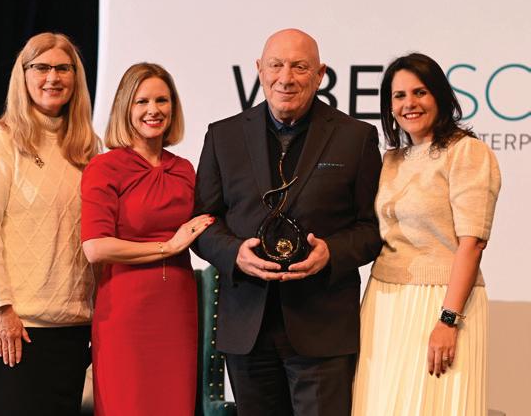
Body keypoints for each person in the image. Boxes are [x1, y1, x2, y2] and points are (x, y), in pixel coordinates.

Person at [194, 28, 382, 415]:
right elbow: (203, 221)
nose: (286, 78)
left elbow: (373, 228)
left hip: (323, 328)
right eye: (276, 65)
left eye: (300, 67)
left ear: (321, 74)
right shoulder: (223, 136)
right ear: (259, 69)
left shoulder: (356, 137)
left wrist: (331, 253)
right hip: (247, 327)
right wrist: (234, 253)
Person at [352, 53, 501, 415]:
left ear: (440, 96)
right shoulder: (391, 160)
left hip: (441, 301)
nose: (410, 104)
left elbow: (472, 244)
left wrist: (448, 319)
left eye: (420, 92)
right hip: (383, 300)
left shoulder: (467, 152)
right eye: (399, 96)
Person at [0, 32, 100, 416]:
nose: (52, 77)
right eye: (41, 67)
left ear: (76, 78)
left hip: (71, 325)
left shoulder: (88, 147)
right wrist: (2, 308)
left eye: (63, 68)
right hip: (14, 325)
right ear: (22, 75)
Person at [80, 62, 214, 416]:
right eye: (142, 101)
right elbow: (95, 248)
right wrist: (168, 247)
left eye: (161, 100)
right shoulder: (105, 168)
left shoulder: (183, 168)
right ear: (126, 107)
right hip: (126, 313)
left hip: (177, 309)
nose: (153, 110)